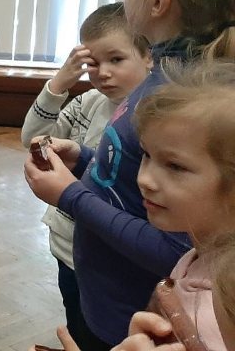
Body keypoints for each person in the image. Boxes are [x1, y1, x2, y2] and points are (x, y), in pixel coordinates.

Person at [24, 0, 235, 349]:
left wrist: (70, 196)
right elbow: (133, 170)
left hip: (130, 319)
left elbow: (175, 247)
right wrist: (83, 158)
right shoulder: (163, 78)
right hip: (104, 293)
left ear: (158, 1)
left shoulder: (187, 96)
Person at [33, 62, 235, 351]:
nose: (144, 179)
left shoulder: (216, 311)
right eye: (146, 155)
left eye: (175, 166)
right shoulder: (199, 256)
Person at [20, 2, 152, 344]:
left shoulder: (154, 116)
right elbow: (31, 136)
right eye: (93, 63)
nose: (103, 72)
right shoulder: (88, 102)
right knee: (77, 321)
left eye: (116, 59)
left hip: (113, 256)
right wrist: (58, 85)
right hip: (67, 247)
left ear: (148, 57)